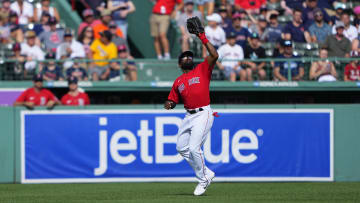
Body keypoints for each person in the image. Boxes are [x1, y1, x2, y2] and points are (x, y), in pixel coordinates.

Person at [164, 16, 218, 196]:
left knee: (194, 148)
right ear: (180, 64)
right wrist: (170, 103)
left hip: (203, 113)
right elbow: (172, 100)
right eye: (184, 57)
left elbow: (214, 55)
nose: (187, 57)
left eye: (189, 56)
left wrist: (201, 36)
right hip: (189, 115)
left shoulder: (202, 69)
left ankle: (203, 179)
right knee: (181, 147)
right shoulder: (178, 81)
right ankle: (206, 173)